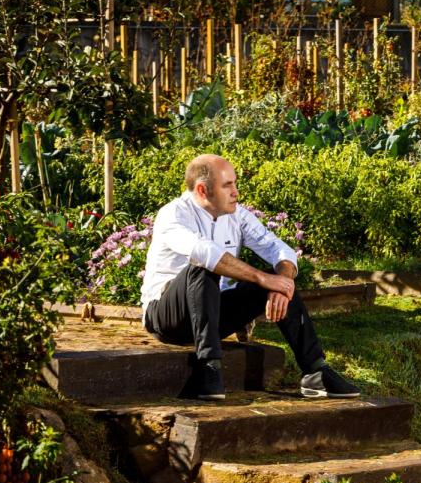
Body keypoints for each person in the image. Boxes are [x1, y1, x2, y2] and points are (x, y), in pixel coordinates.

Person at [140, 154, 360, 400]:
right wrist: (262, 278)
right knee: (203, 266)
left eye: (234, 183)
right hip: (167, 319)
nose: (236, 192)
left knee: (280, 282)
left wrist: (280, 283)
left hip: (211, 316)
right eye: (227, 185)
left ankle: (316, 371)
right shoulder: (173, 215)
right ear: (203, 190)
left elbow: (278, 249)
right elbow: (205, 252)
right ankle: (209, 367)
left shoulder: (237, 215)